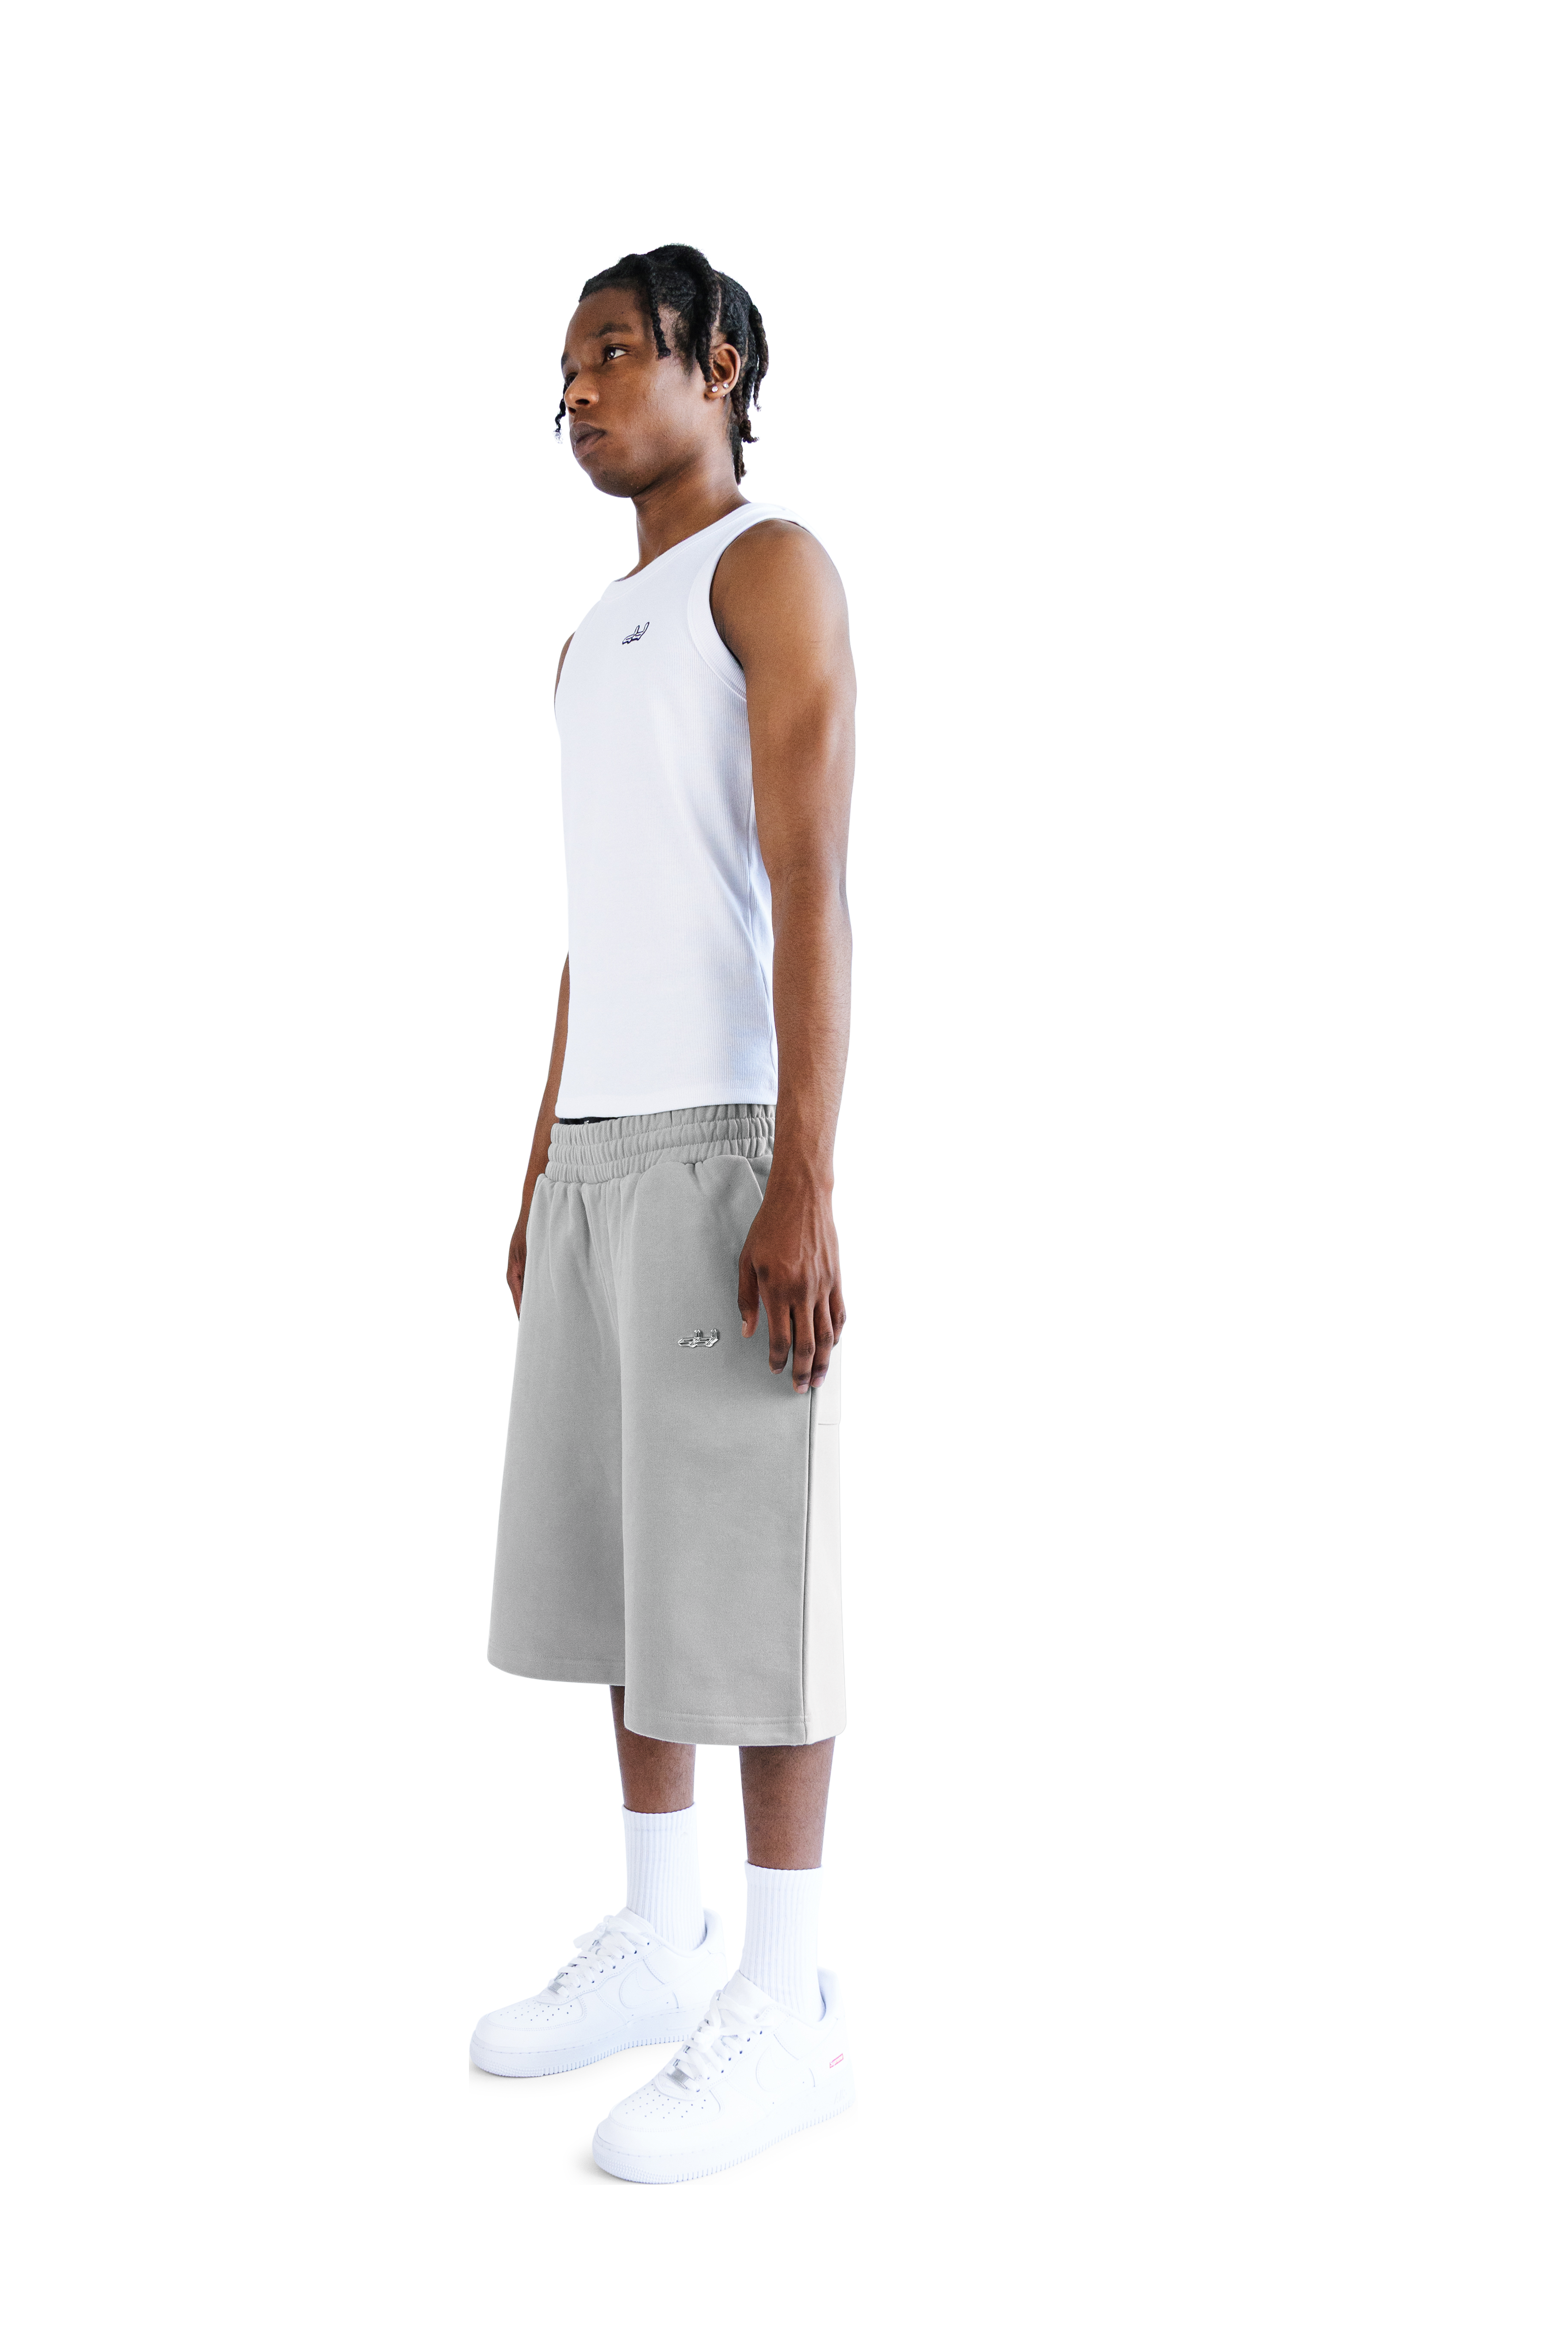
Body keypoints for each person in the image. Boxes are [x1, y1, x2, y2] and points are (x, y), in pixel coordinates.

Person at [472, 246, 856, 2185]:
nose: (581, 391)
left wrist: (801, 1176)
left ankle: (788, 2005)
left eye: (616, 354)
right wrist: (540, 1163)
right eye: (566, 365)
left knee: (741, 1579)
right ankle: (656, 1935)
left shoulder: (765, 571)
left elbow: (810, 881)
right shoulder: (589, 637)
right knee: (629, 1573)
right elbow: (588, 935)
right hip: (600, 1151)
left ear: (723, 368)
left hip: (720, 1139)